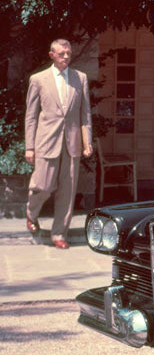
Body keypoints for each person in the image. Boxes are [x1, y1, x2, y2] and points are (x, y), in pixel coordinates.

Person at [24, 39, 93, 248]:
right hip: (46, 141)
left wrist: (87, 142)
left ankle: (59, 234)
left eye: (68, 54)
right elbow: (31, 116)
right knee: (43, 186)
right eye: (61, 54)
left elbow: (85, 113)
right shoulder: (38, 80)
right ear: (51, 55)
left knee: (67, 191)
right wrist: (29, 146)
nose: (65, 57)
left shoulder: (80, 78)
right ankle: (31, 213)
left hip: (72, 144)